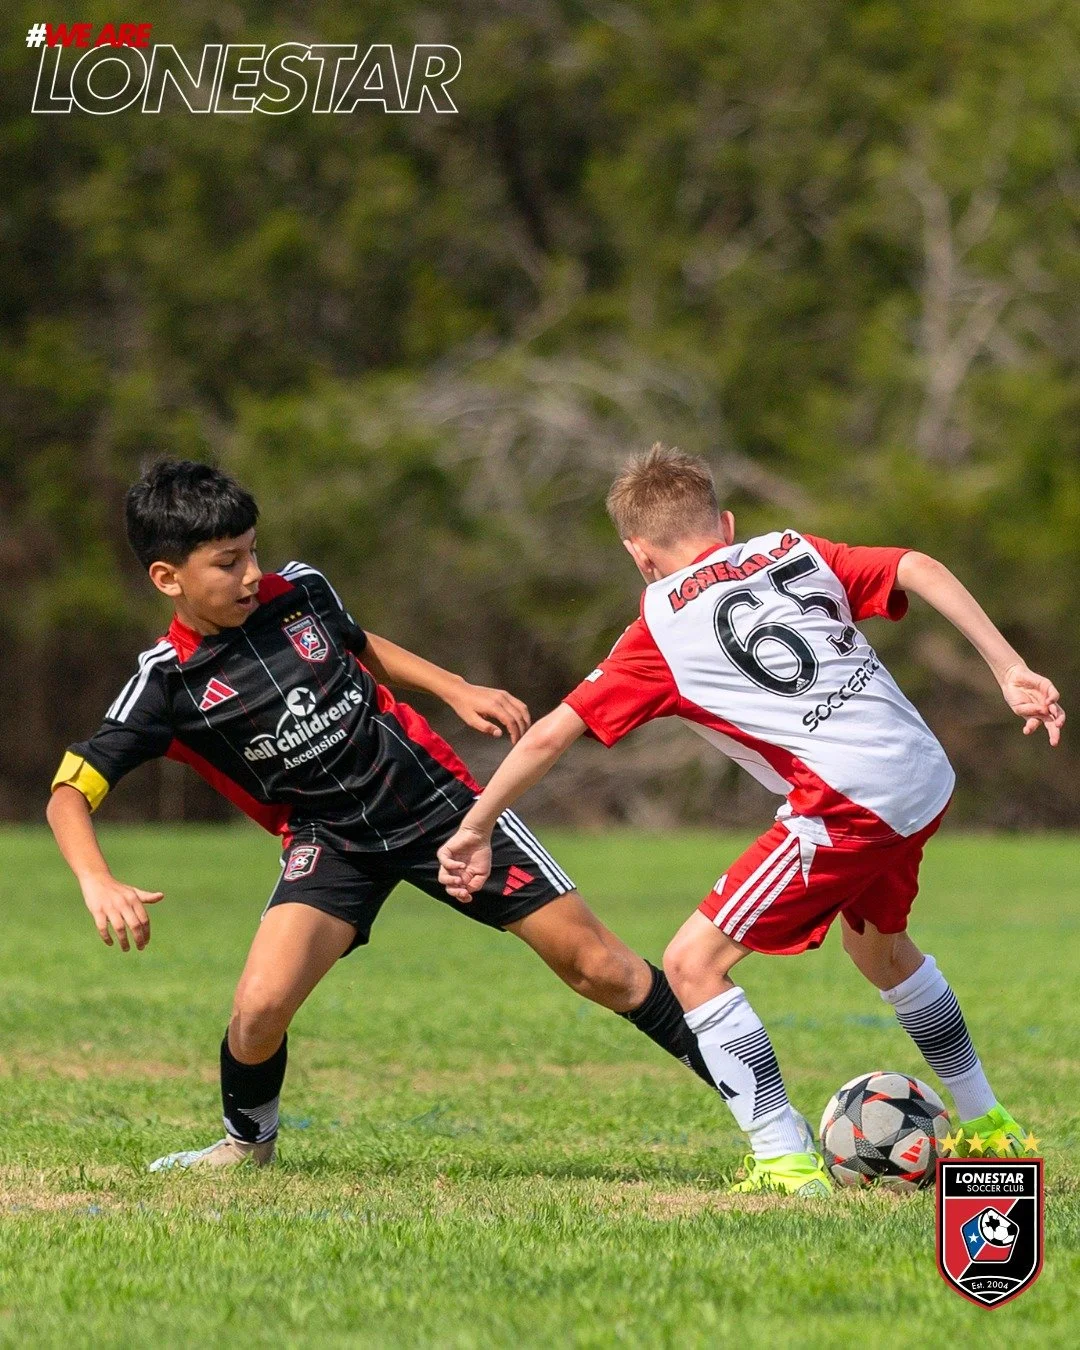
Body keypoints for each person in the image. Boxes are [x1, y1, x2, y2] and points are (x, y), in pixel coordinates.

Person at [46, 458, 720, 1170]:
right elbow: (67, 793)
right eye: (227, 562)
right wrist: (96, 880)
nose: (251, 574)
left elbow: (364, 648)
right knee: (257, 1011)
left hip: (439, 809)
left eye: (252, 552)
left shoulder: (299, 590)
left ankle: (765, 1116)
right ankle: (248, 1146)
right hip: (329, 841)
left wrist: (455, 687)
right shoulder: (165, 684)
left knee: (600, 968)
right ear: (166, 577)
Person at [438, 444, 1063, 1196]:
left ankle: (784, 1159)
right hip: (922, 775)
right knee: (881, 951)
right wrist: (1008, 669)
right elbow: (916, 566)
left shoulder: (658, 627)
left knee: (691, 963)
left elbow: (546, 737)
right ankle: (988, 1122)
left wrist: (475, 826)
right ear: (726, 523)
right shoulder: (787, 548)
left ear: (639, 555)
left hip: (847, 799)